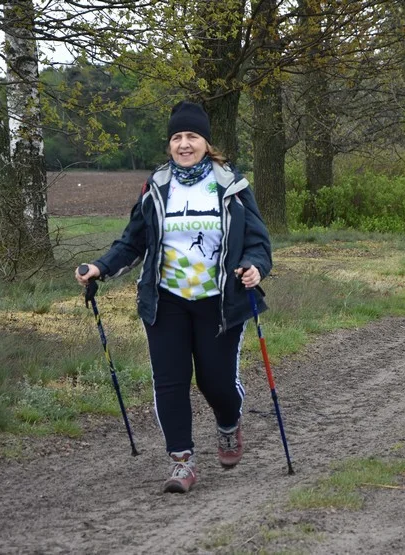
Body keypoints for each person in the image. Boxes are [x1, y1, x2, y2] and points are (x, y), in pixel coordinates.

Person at [75, 100, 273, 494]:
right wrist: (100, 266)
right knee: (170, 382)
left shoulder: (231, 184)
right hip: (165, 301)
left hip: (218, 302)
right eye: (177, 137)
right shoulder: (156, 187)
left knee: (216, 384)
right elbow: (133, 241)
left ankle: (229, 424)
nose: (184, 144)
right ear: (169, 144)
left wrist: (253, 266)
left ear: (206, 142)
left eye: (192, 136)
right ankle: (181, 462)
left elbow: (258, 241)